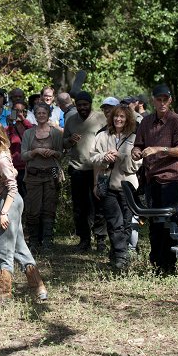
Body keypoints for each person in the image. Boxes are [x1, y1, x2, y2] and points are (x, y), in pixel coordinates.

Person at [0, 122, 48, 302]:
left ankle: (3, 293)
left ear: (0, 138)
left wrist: (3, 212)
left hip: (8, 201)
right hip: (8, 201)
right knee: (19, 245)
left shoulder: (1, 158)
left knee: (3, 247)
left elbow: (12, 187)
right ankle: (38, 287)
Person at [132, 84, 178, 274]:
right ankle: (156, 265)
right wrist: (136, 152)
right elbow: (137, 145)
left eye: (165, 99)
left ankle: (170, 265)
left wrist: (158, 149)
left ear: (170, 100)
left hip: (171, 179)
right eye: (159, 99)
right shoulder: (146, 122)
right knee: (154, 225)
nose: (162, 102)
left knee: (170, 223)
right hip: (150, 180)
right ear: (153, 100)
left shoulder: (177, 121)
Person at [90, 106, 141, 269]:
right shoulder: (102, 136)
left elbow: (137, 164)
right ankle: (121, 257)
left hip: (128, 186)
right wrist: (104, 157)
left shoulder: (134, 138)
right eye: (116, 116)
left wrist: (121, 156)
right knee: (114, 222)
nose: (118, 119)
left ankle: (118, 252)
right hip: (108, 185)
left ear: (128, 119)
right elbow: (93, 157)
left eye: (122, 117)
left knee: (126, 223)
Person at [63, 92, 108, 252]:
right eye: (79, 105)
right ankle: (84, 239)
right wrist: (69, 141)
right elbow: (64, 144)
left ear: (90, 104)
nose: (82, 107)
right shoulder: (70, 120)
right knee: (80, 207)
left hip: (98, 169)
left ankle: (101, 239)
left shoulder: (101, 118)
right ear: (75, 105)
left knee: (99, 205)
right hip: (77, 169)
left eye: (85, 104)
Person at [20, 103, 63, 247]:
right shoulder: (28, 133)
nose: (41, 115)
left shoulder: (56, 133)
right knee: (33, 207)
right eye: (38, 113)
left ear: (48, 114)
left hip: (52, 172)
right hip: (33, 174)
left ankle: (47, 240)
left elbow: (61, 154)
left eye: (44, 113)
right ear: (35, 115)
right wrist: (35, 152)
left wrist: (53, 153)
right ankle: (33, 240)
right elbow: (23, 156)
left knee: (49, 207)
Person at [6, 101, 32, 198]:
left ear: (25, 113)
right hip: (14, 168)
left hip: (28, 167)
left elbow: (33, 133)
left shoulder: (30, 127)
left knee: (28, 195)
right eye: (15, 111)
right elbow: (7, 143)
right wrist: (10, 125)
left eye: (21, 111)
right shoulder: (8, 129)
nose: (18, 113)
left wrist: (23, 120)